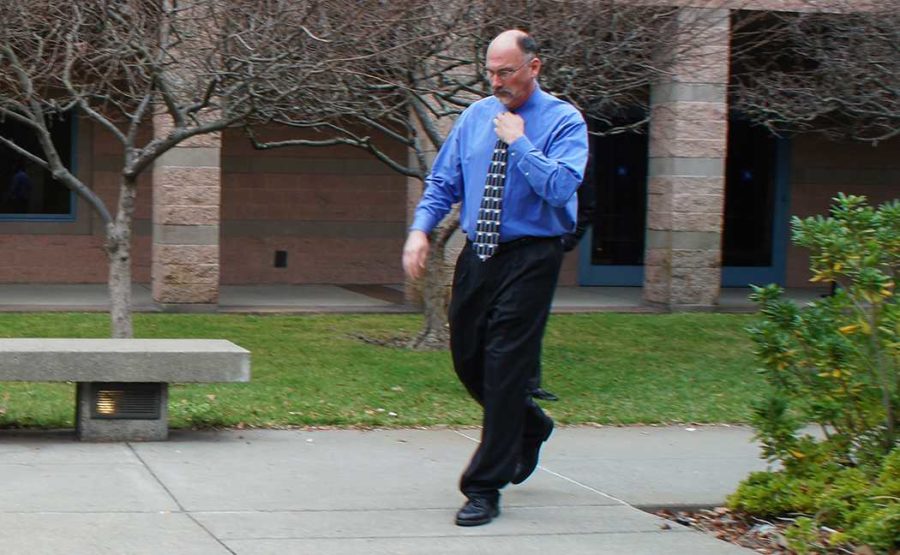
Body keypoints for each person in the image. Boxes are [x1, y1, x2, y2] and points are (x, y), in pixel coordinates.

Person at [402, 29, 588, 527]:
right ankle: (529, 424)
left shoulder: (564, 121)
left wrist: (520, 143)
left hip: (533, 253)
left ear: (534, 67)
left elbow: (561, 187)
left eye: (505, 72)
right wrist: (420, 232)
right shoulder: (474, 117)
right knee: (468, 359)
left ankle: (484, 487)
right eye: (490, 71)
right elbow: (444, 181)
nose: (496, 81)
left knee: (506, 365)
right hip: (479, 252)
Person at [527, 180, 595, 402]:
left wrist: (566, 241)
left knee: (530, 316)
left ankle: (529, 383)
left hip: (543, 247)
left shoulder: (573, 151)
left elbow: (586, 204)